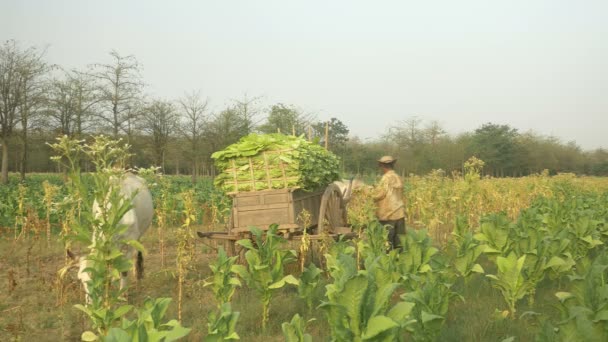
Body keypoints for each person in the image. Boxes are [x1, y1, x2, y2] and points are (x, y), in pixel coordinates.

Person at [371, 155, 406, 249]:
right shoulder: (398, 177)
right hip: (399, 213)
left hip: (388, 214)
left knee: (387, 242)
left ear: (382, 166)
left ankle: (388, 262)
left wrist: (369, 195)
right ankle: (400, 261)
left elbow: (380, 194)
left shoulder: (386, 178)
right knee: (399, 242)